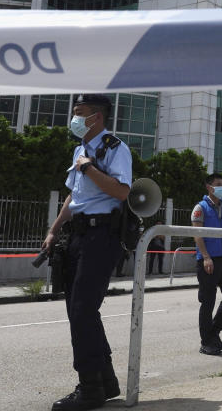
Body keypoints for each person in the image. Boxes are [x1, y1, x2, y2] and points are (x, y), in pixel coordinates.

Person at [42, 94, 133, 410]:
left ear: (98, 117)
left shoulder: (114, 148)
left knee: (82, 309)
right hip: (78, 235)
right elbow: (74, 196)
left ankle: (89, 387)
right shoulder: (80, 150)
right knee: (79, 310)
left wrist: (90, 168)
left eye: (80, 113)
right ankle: (105, 381)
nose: (74, 118)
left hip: (102, 235)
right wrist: (54, 229)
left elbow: (122, 191)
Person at [192, 173, 222, 356]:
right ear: (209, 187)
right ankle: (206, 342)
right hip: (208, 260)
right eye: (218, 185)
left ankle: (213, 333)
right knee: (208, 301)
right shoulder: (200, 208)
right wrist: (205, 257)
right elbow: (197, 234)